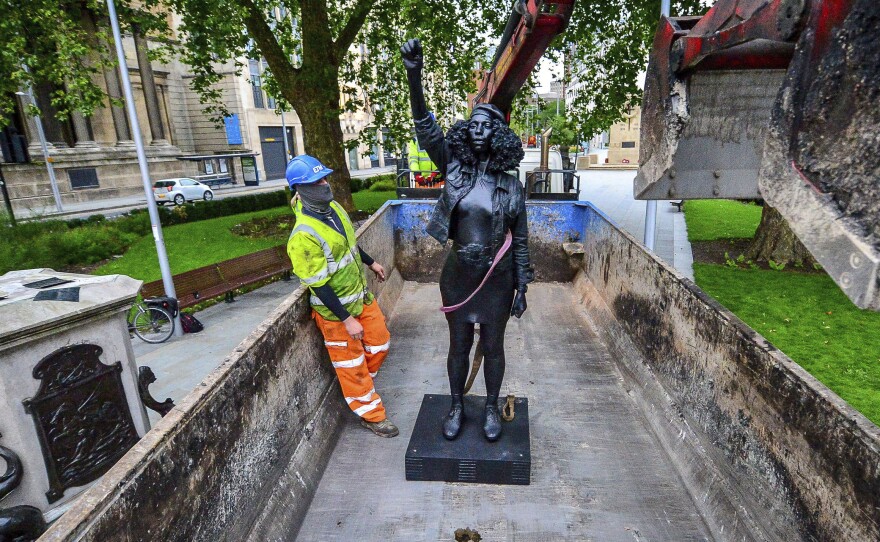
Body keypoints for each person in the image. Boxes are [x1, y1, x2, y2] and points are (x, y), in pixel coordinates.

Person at [401, 39, 534, 442]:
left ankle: (491, 407)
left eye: (486, 128)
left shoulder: (512, 187)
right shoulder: (453, 169)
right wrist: (414, 75)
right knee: (458, 345)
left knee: (493, 347)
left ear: (497, 137)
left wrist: (522, 286)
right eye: (472, 125)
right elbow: (426, 129)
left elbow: (522, 240)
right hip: (458, 274)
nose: (477, 132)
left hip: (497, 280)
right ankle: (457, 404)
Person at [285, 154, 398, 438]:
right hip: (336, 314)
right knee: (351, 366)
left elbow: (349, 245)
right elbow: (318, 285)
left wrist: (371, 262)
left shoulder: (333, 208)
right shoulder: (303, 237)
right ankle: (372, 416)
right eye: (316, 181)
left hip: (360, 297)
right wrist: (346, 319)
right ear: (300, 189)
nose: (325, 184)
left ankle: (360, 389)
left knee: (381, 343)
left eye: (324, 177)